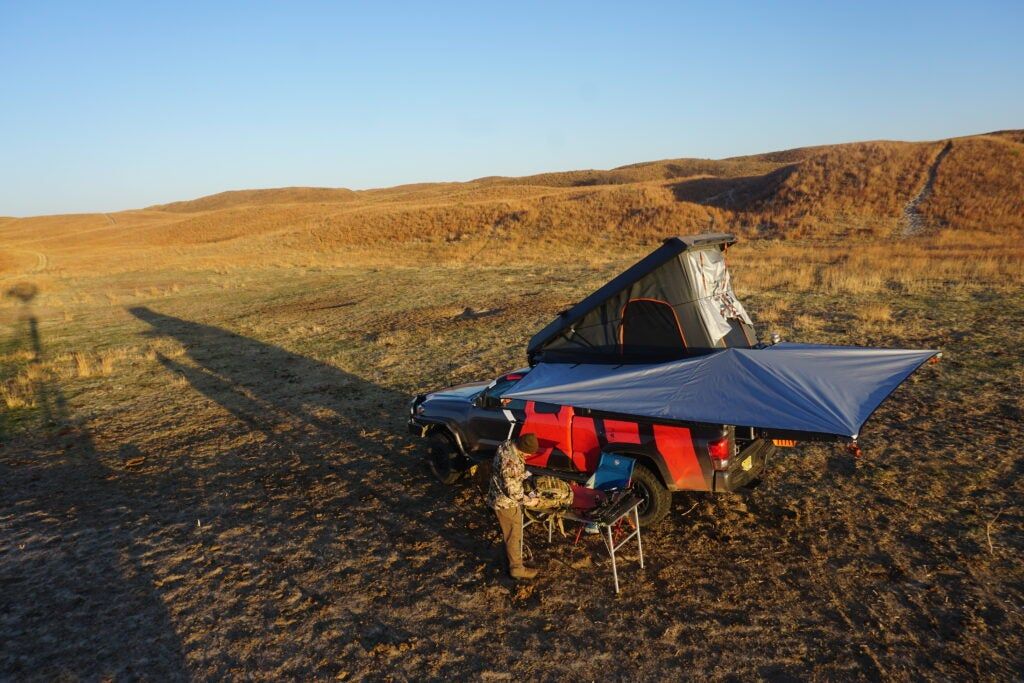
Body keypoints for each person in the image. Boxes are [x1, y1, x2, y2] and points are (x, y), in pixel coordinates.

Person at [486, 432, 542, 580]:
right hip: (505, 504)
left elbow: (513, 474)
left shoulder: (506, 445)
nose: (528, 457)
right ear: (522, 449)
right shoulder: (511, 463)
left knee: (508, 533)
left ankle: (506, 561)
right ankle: (516, 568)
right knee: (514, 535)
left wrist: (527, 476)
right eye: (527, 454)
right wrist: (531, 501)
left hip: (495, 494)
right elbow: (514, 492)